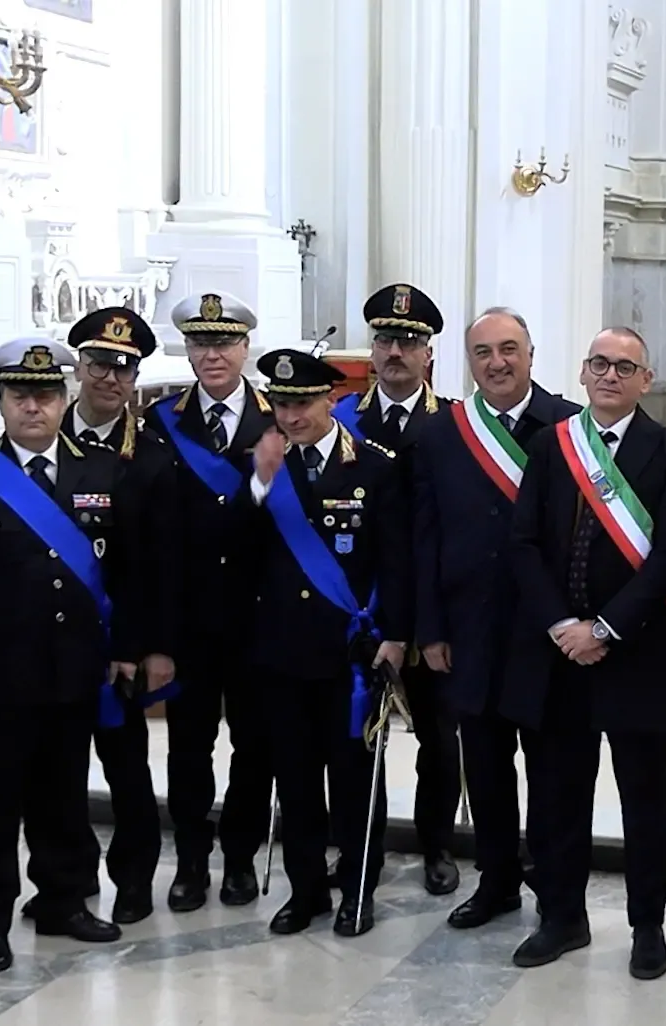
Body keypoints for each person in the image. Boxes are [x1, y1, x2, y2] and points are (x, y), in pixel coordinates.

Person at [0, 338, 142, 971]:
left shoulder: (100, 469)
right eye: (20, 395)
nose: (33, 407)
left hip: (76, 666)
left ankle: (63, 899)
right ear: (0, 401)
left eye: (46, 395)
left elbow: (128, 571)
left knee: (63, 793)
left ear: (64, 398)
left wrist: (124, 649)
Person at [503, 327, 666, 977]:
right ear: (583, 374)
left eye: (625, 366)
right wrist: (563, 624)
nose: (610, 375)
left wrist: (607, 628)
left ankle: (648, 925)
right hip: (560, 653)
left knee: (644, 795)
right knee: (559, 791)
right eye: (599, 364)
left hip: (639, 652)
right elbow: (524, 543)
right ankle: (562, 916)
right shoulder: (551, 444)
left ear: (647, 380)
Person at [412, 308, 580, 931]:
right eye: (483, 352)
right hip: (469, 633)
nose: (497, 363)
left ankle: (556, 889)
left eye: (509, 349)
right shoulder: (440, 435)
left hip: (547, 635)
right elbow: (423, 540)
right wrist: (430, 629)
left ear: (532, 354)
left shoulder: (569, 426)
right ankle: (497, 880)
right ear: (468, 361)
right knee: (483, 770)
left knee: (551, 772)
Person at [241, 348, 411, 937]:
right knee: (295, 775)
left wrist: (396, 635)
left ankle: (358, 888)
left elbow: (398, 559)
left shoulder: (374, 465)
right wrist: (260, 485)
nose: (291, 417)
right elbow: (236, 551)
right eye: (281, 404)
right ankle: (305, 888)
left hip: (351, 652)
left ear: (331, 400)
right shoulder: (263, 466)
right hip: (282, 649)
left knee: (355, 777)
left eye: (303, 404)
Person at [139, 293, 274, 913]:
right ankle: (191, 862)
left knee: (255, 747)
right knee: (188, 749)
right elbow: (149, 535)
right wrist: (156, 638)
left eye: (223, 343)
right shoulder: (160, 421)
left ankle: (240, 858)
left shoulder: (282, 419)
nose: (212, 354)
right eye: (200, 343)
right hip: (186, 621)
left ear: (246, 347)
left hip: (258, 620)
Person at [51, 307, 180, 925]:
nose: (111, 377)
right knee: (58, 771)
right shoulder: (40, 443)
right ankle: (65, 881)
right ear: (79, 366)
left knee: (127, 771)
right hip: (53, 645)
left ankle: (133, 879)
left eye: (124, 368)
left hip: (122, 645)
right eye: (100, 363)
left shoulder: (152, 457)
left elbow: (159, 566)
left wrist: (149, 647)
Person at [335, 283, 461, 897]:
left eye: (409, 341)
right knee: (361, 737)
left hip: (435, 609)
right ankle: (364, 848)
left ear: (428, 353)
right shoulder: (340, 421)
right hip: (366, 608)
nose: (395, 352)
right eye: (385, 339)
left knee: (440, 737)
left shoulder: (457, 423)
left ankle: (437, 843)